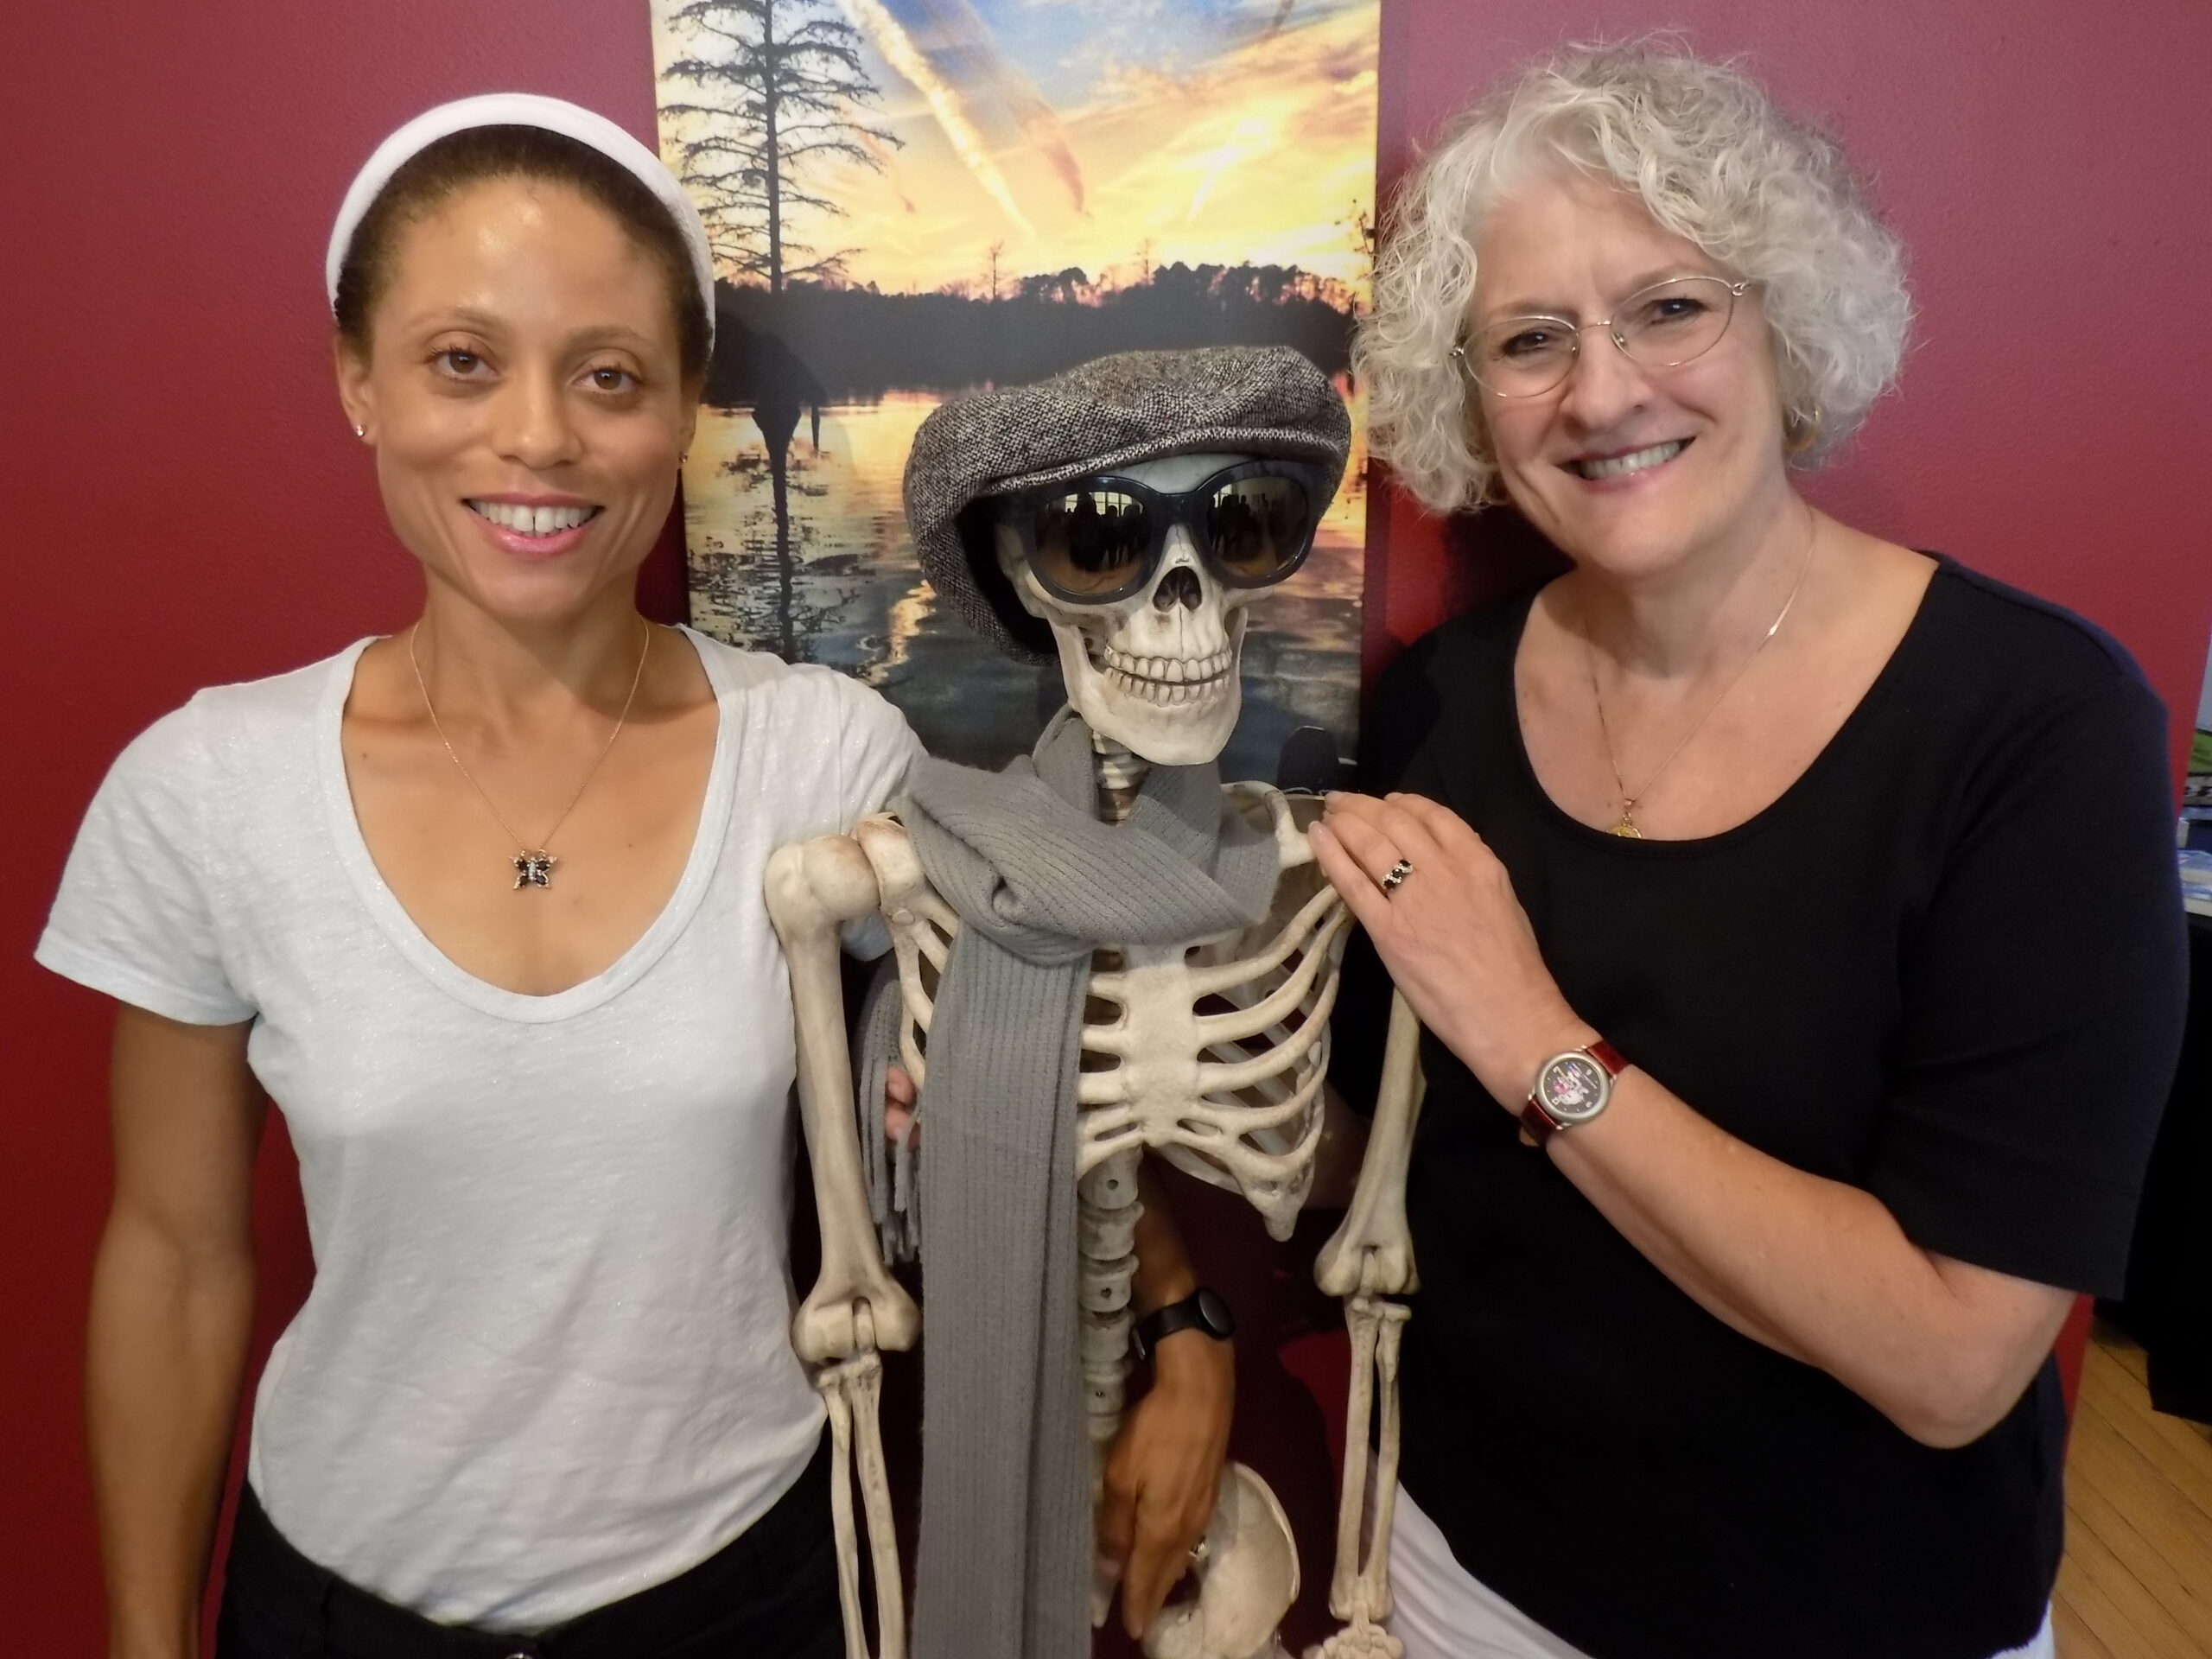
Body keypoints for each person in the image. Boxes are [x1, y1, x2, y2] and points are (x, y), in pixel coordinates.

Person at [1309, 40, 2189, 1659]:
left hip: (1865, 1616)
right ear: (1468, 395)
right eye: (1528, 339)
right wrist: (1054, 1079)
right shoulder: (1438, 699)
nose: (1602, 391)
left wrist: (1534, 1041)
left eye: (1668, 305)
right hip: (1463, 1576)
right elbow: (1371, 1161)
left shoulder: (2032, 727)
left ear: (1784, 324)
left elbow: (1952, 1360)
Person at [37, 95, 931, 1658]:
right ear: (357, 380)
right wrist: (142, 1636)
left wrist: (1179, 1325)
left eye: (608, 376)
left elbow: (995, 1090)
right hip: (334, 1602)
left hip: (743, 1591)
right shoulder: (207, 788)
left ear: (681, 408)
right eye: (464, 360)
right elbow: (173, 1255)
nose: (539, 435)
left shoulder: (827, 754)